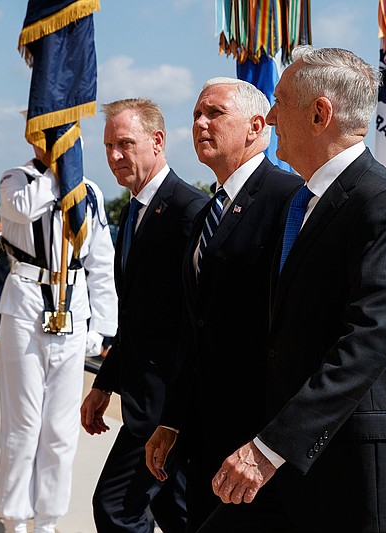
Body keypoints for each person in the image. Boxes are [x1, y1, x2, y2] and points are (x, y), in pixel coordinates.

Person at [156, 46, 386, 533]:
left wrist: (268, 450)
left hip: (359, 477)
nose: (270, 117)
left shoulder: (385, 204)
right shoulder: (308, 200)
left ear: (319, 114)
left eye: (280, 102)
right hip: (292, 461)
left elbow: (367, 341)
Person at [144, 78, 303, 531]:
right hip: (206, 436)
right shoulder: (208, 212)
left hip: (256, 442)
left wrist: (270, 443)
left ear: (256, 126)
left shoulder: (288, 199)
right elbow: (195, 328)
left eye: (214, 113)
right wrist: (173, 420)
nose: (199, 123)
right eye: (196, 114)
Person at [80, 98, 206, 532]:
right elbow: (136, 316)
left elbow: (192, 321)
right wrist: (104, 382)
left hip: (168, 406)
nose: (115, 156)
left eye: (126, 144)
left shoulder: (188, 209)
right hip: (143, 398)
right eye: (109, 145)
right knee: (178, 514)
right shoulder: (132, 211)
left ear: (157, 141)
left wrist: (174, 415)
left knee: (117, 508)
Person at [0, 143, 118, 533]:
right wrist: (61, 173)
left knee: (60, 428)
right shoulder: (17, 179)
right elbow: (23, 209)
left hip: (73, 308)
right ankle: (14, 518)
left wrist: (101, 326)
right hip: (26, 305)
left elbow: (101, 263)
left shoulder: (90, 193)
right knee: (23, 423)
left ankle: (47, 519)